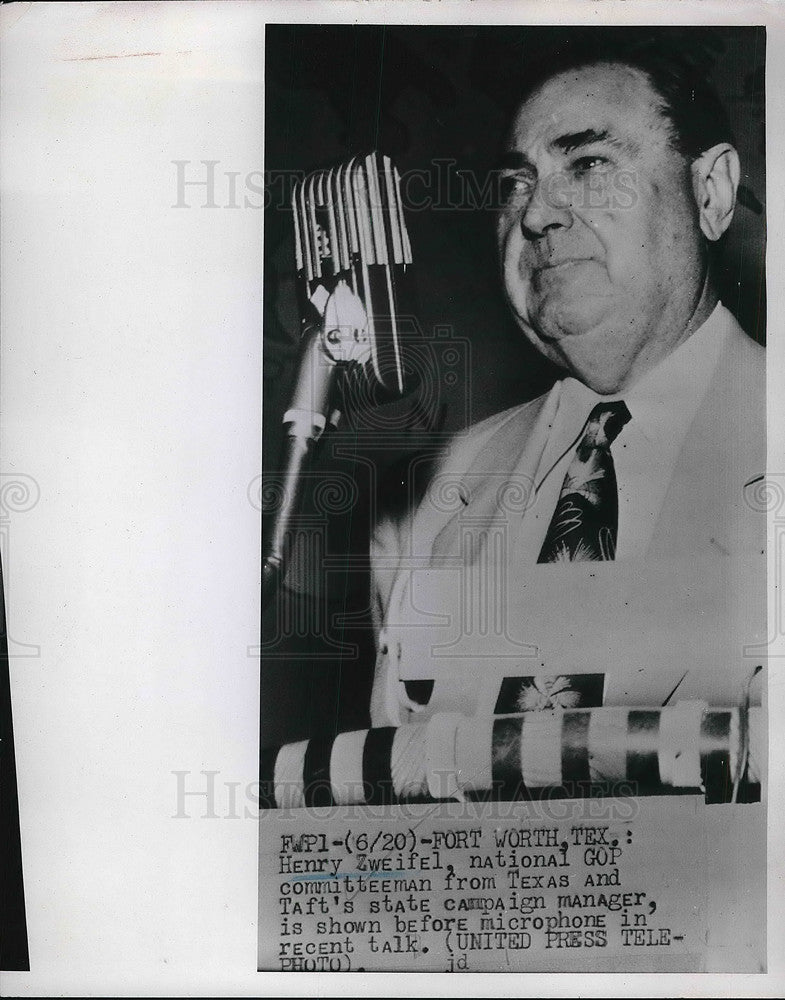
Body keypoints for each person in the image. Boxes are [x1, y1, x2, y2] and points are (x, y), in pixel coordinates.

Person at [368, 48, 766, 733]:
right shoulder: (427, 499)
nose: (535, 215)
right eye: (516, 183)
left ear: (710, 193)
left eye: (586, 166)